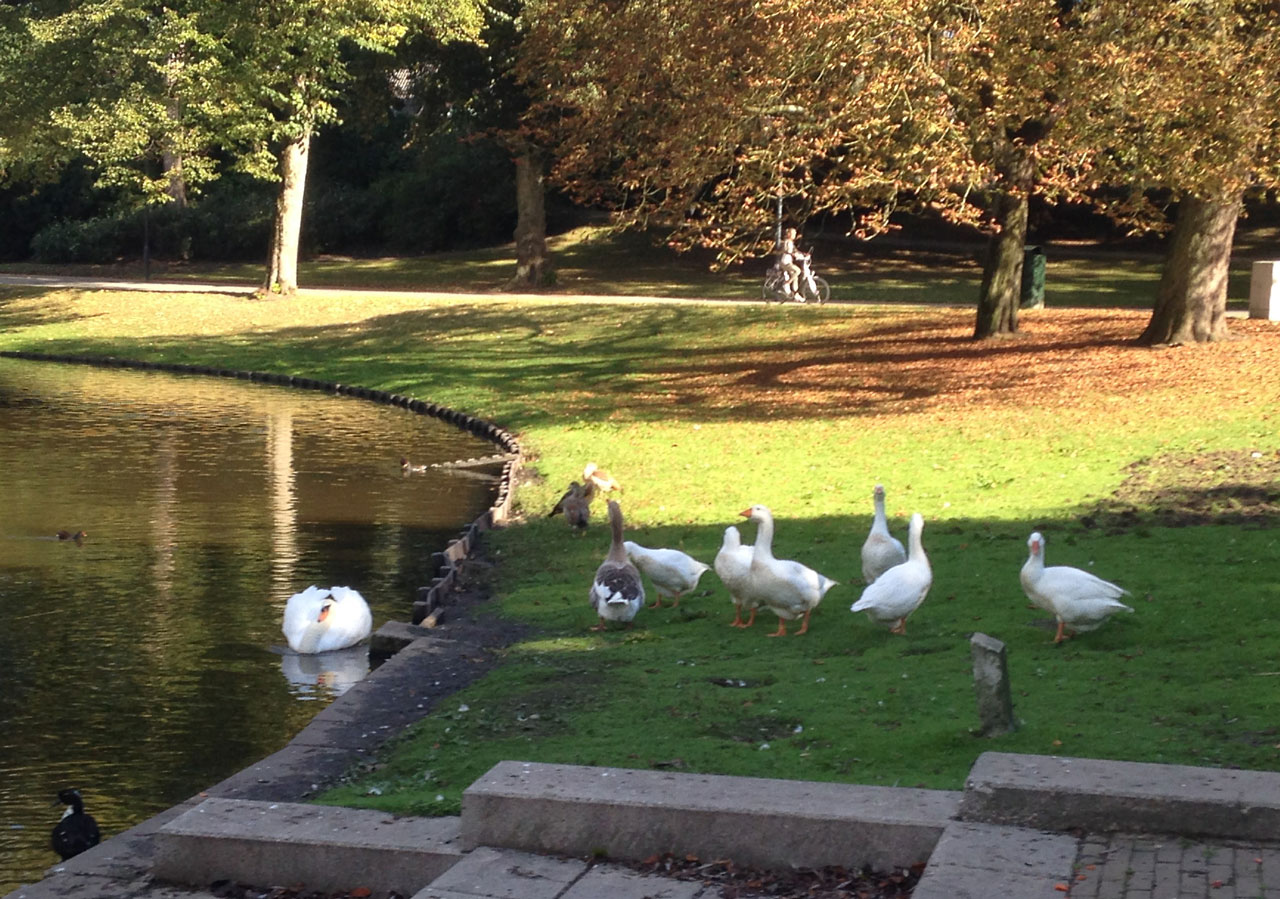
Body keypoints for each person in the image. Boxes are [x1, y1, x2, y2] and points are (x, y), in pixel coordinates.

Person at [776, 227, 809, 298]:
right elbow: (785, 250)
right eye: (793, 233)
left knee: (795, 277)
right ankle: (786, 283)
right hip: (784, 262)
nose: (794, 235)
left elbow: (795, 251)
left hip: (788, 262)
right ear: (789, 234)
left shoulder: (791, 242)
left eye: (795, 234)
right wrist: (791, 253)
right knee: (798, 271)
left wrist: (804, 254)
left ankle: (795, 294)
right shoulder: (786, 242)